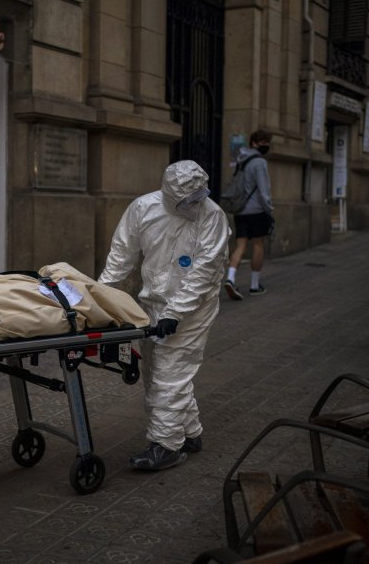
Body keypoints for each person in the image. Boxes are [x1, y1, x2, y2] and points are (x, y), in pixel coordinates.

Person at [99, 160, 231, 470]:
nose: (195, 205)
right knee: (160, 370)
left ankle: (166, 445)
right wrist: (101, 297)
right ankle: (189, 433)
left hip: (195, 308)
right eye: (189, 200)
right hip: (153, 304)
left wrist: (176, 312)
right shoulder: (143, 209)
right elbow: (121, 255)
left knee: (169, 372)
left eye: (200, 197)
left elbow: (205, 271)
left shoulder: (212, 217)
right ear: (170, 196)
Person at [223, 129, 273, 300]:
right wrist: (269, 209)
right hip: (257, 210)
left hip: (240, 210)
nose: (266, 145)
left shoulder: (241, 160)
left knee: (240, 246)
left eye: (268, 142)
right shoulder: (260, 162)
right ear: (254, 143)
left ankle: (230, 278)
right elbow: (263, 191)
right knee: (258, 245)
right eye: (263, 142)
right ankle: (254, 285)